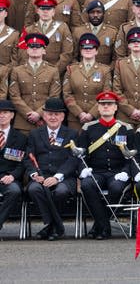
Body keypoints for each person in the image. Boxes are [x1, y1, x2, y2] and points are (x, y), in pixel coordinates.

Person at [77, 90, 135, 240]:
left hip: (118, 171)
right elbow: (81, 154)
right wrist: (83, 169)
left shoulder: (125, 128)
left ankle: (100, 226)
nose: (106, 107)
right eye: (103, 104)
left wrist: (126, 172)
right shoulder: (88, 128)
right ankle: (104, 225)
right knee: (87, 185)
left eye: (110, 104)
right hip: (96, 171)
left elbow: (132, 155)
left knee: (116, 188)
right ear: (98, 107)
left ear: (116, 107)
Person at [25, 97, 78, 241]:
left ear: (63, 116)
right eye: (49, 114)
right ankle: (54, 225)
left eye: (57, 114)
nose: (53, 117)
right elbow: (28, 157)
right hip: (40, 176)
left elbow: (74, 159)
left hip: (64, 177)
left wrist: (57, 177)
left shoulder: (72, 134)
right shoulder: (35, 134)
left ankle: (50, 226)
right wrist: (34, 174)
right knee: (34, 189)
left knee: (61, 191)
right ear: (44, 115)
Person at [9, 33, 61, 133]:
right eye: (31, 46)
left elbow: (54, 96)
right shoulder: (17, 70)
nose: (34, 49)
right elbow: (14, 96)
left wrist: (38, 114)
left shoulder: (53, 71)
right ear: (27, 50)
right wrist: (28, 113)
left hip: (45, 121)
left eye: (38, 46)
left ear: (44, 50)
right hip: (23, 122)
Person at [62, 33, 113, 130]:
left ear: (96, 51)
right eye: (85, 47)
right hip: (75, 119)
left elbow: (106, 94)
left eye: (91, 47)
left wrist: (92, 114)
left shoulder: (105, 70)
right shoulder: (71, 69)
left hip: (97, 117)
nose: (88, 50)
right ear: (81, 51)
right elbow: (67, 94)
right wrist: (79, 113)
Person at [0, 99, 27, 233]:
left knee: (14, 191)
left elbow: (23, 163)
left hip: (9, 177)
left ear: (12, 115)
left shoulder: (21, 138)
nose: (1, 115)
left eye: (5, 112)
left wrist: (12, 176)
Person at [71, 0, 118, 66]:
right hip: (83, 72)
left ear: (103, 13)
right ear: (88, 14)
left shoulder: (112, 32)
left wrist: (107, 71)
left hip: (105, 73)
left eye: (99, 12)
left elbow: (115, 58)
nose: (95, 15)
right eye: (92, 12)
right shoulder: (78, 31)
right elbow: (73, 56)